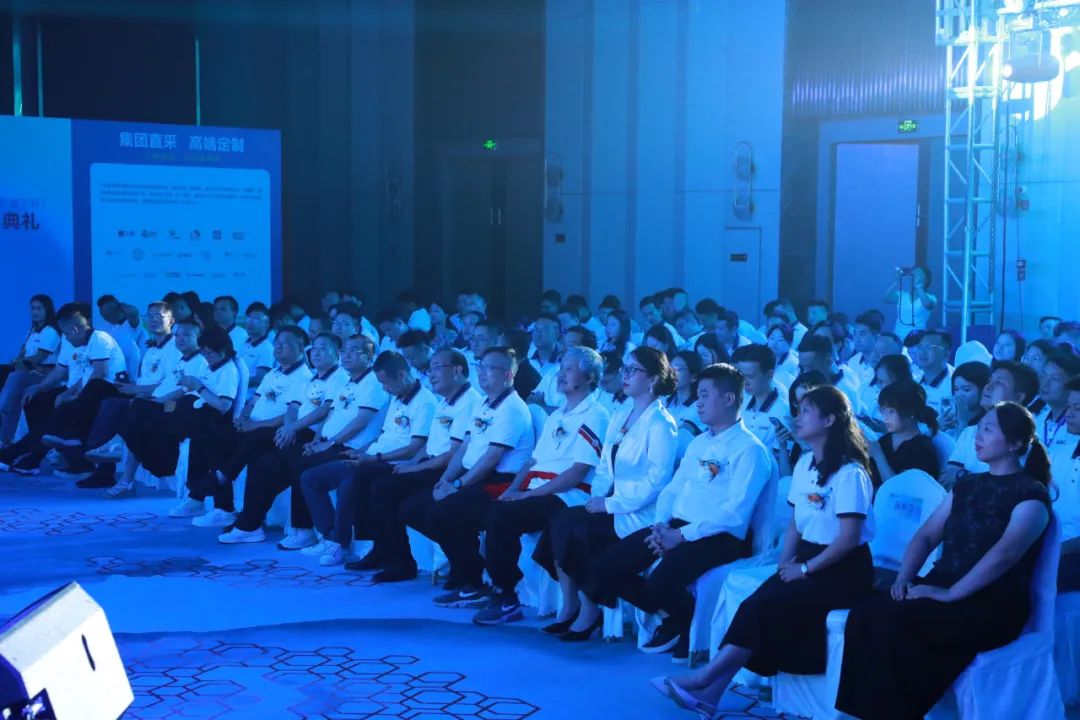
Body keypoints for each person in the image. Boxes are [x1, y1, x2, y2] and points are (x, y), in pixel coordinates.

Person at [653, 386, 875, 717]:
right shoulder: (805, 464)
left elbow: (848, 539)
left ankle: (703, 679)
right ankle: (710, 694)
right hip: (807, 558)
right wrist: (784, 564)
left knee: (767, 607)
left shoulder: (850, 473)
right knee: (754, 602)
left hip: (843, 570)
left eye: (805, 411)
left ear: (829, 420)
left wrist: (805, 569)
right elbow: (795, 525)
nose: (797, 417)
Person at [835, 402, 1051, 720]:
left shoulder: (1031, 495)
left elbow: (1005, 555)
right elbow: (925, 536)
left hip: (993, 601)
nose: (978, 435)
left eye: (988, 429)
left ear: (1015, 443)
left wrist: (949, 594)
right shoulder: (968, 485)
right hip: (943, 583)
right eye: (979, 428)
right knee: (867, 614)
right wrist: (904, 578)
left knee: (900, 623)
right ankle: (862, 713)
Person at [591, 364, 776, 660]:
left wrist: (681, 536)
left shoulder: (750, 450)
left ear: (729, 399)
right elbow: (671, 490)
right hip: (676, 527)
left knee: (661, 580)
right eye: (698, 395)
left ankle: (683, 624)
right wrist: (660, 527)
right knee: (606, 567)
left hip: (721, 537)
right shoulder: (700, 442)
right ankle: (679, 617)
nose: (698, 403)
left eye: (705, 395)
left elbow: (735, 513)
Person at [532, 347, 678, 641]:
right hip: (612, 503)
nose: (625, 375)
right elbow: (603, 467)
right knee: (562, 521)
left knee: (580, 531)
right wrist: (596, 498)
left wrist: (609, 504)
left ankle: (589, 610)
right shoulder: (622, 414)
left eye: (633, 370)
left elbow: (655, 482)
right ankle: (578, 605)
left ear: (652, 380)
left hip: (641, 513)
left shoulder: (662, 424)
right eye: (625, 369)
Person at [470, 348, 612, 626]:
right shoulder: (557, 415)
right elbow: (533, 461)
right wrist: (512, 491)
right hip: (538, 489)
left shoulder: (596, 414)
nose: (561, 374)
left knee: (501, 517)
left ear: (589, 378)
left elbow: (576, 473)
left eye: (569, 369)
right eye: (561, 367)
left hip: (567, 495)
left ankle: (506, 595)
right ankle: (480, 582)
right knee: (489, 508)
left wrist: (527, 495)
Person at [217, 334, 386, 546]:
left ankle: (306, 531)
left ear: (369, 357)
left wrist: (326, 443)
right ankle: (249, 524)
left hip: (349, 447)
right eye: (345, 350)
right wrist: (316, 440)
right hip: (323, 439)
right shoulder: (347, 382)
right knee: (264, 462)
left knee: (298, 464)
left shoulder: (368, 382)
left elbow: (359, 422)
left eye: (353, 351)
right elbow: (327, 414)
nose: (347, 355)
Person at [401, 347, 534, 607]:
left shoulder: (512, 408)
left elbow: (492, 458)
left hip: (499, 482)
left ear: (508, 375)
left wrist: (458, 485)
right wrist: (445, 480)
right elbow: (464, 448)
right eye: (480, 367)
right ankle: (469, 572)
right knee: (413, 508)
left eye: (489, 368)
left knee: (442, 512)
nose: (482, 373)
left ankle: (472, 578)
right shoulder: (485, 404)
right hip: (475, 477)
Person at [353, 349, 482, 582]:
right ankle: (388, 554)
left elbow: (452, 454)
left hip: (449, 469)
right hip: (431, 462)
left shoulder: (469, 402)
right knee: (370, 480)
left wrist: (413, 468)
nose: (430, 374)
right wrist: (413, 463)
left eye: (437, 368)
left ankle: (407, 562)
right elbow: (429, 444)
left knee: (387, 491)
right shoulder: (445, 402)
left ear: (457, 370)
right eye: (429, 369)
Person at [299, 351, 436, 566]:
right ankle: (330, 536)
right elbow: (384, 434)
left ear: (401, 375)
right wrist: (361, 452)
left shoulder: (425, 402)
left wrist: (374, 458)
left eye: (385, 382)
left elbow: (414, 448)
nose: (384, 388)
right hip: (371, 457)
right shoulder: (397, 397)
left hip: (391, 463)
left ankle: (342, 544)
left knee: (351, 483)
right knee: (310, 477)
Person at [175, 326, 314, 528]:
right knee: (208, 435)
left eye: (284, 344)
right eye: (276, 343)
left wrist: (254, 425)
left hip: (272, 431)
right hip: (252, 425)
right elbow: (254, 400)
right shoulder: (274, 373)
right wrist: (243, 417)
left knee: (249, 440)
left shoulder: (303, 377)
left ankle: (222, 480)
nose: (277, 347)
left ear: (300, 348)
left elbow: (290, 414)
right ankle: (207, 498)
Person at [106, 324, 239, 499]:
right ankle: (120, 457)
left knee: (140, 414)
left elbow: (223, 406)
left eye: (209, 353)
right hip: (181, 407)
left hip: (198, 416)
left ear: (222, 350)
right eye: (204, 353)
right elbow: (183, 389)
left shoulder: (227, 370)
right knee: (137, 411)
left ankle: (121, 456)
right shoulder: (208, 365)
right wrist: (161, 400)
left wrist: (198, 387)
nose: (206, 357)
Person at [0, 303, 126, 475]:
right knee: (37, 401)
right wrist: (42, 388)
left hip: (104, 392)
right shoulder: (77, 343)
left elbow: (98, 375)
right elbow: (76, 376)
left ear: (74, 329)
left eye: (66, 334)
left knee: (55, 417)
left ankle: (17, 454)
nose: (65, 338)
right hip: (87, 390)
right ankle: (36, 453)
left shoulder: (100, 339)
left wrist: (73, 395)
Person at [942, 361, 1039, 488]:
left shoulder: (1027, 441)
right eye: (989, 381)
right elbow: (948, 476)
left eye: (999, 383)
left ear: (1019, 397)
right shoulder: (970, 432)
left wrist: (962, 475)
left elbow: (1009, 487)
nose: (988, 386)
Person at [0, 295, 60, 448]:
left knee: (14, 377)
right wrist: (17, 361)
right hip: (29, 372)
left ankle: (1, 407)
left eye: (39, 308)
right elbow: (22, 354)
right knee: (13, 391)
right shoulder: (31, 331)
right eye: (32, 308)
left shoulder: (50, 331)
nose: (35, 312)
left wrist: (19, 362)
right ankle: (5, 440)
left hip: (45, 374)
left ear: (47, 310)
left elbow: (39, 357)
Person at [866, 380, 941, 487]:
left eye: (891, 411)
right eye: (883, 410)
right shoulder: (885, 441)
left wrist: (878, 455)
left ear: (910, 412)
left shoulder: (923, 449)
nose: (885, 417)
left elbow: (898, 490)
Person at [734, 344, 791, 456]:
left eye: (750, 377)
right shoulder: (740, 403)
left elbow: (781, 458)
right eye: (741, 376)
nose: (744, 382)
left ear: (770, 374)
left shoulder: (784, 412)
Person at [1055, 377, 1080, 591]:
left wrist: (1059, 549)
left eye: (1077, 408)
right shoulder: (1059, 453)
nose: (1069, 414)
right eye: (1068, 406)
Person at [797, 335, 861, 413]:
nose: (804, 373)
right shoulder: (802, 386)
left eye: (810, 367)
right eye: (801, 368)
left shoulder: (847, 393)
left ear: (829, 362)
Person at [1032, 352, 1080, 455]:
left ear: (1072, 383)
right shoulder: (1036, 419)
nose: (1045, 384)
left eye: (1055, 379)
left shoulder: (1075, 424)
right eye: (1044, 376)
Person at [667, 351, 704, 461]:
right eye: (671, 368)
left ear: (693, 377)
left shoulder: (699, 408)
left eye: (679, 369)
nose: (672, 373)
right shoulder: (663, 402)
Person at [884, 264, 938, 340]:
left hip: (916, 339)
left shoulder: (931, 298)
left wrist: (918, 286)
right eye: (914, 274)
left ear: (927, 280)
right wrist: (896, 281)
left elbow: (927, 305)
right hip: (898, 337)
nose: (915, 276)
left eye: (919, 274)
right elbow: (885, 298)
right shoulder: (902, 295)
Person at [939, 361, 991, 438]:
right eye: (956, 389)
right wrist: (939, 428)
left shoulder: (988, 422)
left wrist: (963, 422)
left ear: (983, 389)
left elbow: (964, 445)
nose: (959, 395)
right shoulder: (951, 416)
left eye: (966, 390)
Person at [914, 329, 954, 417]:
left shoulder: (956, 385)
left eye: (930, 348)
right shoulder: (914, 382)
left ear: (946, 354)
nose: (922, 352)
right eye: (920, 347)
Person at [238, 302, 275, 389]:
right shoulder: (243, 341)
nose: (251, 323)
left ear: (267, 324)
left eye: (256, 320)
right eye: (249, 318)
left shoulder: (267, 348)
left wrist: (235, 382)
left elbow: (259, 379)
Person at [849, 312, 882, 386]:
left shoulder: (884, 364)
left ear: (876, 337)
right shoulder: (852, 361)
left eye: (862, 334)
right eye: (855, 334)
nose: (856, 339)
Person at [529, 313, 563, 379]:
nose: (538, 334)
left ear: (557, 333)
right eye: (536, 329)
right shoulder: (526, 361)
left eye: (544, 330)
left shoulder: (565, 361)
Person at [766, 323, 799, 388]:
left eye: (780, 340)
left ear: (790, 344)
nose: (775, 343)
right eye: (772, 338)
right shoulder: (760, 358)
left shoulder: (794, 365)